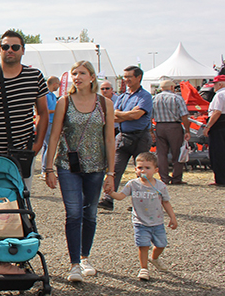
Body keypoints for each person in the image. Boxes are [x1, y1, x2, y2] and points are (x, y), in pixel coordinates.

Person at [44, 60, 116, 283]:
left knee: (90, 213)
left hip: (96, 167)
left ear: (92, 77)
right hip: (68, 165)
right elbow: (54, 136)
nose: (77, 77)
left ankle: (86, 257)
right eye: (74, 73)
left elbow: (109, 138)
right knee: (73, 213)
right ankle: (74, 263)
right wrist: (48, 168)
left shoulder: (105, 104)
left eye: (82, 73)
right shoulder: (64, 101)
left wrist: (112, 173)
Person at [0, 30, 49, 191]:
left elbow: (42, 112)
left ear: (23, 50)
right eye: (5, 46)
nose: (10, 50)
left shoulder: (35, 76)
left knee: (21, 196)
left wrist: (38, 143)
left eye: (15, 46)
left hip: (24, 150)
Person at [107, 152, 178, 281]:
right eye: (140, 168)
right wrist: (110, 193)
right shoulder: (133, 184)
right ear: (135, 170)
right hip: (140, 222)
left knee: (161, 244)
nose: (143, 170)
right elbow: (121, 197)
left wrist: (172, 217)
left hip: (157, 222)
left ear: (156, 170)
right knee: (143, 245)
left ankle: (154, 258)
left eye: (147, 168)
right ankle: (143, 268)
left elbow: (166, 202)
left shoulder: (160, 186)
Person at [98, 66, 154, 211]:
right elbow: (113, 115)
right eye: (125, 77)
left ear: (138, 77)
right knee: (114, 169)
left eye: (129, 77)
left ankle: (142, 202)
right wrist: (128, 114)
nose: (126, 80)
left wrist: (123, 114)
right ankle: (108, 199)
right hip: (123, 137)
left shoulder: (145, 96)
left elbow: (136, 116)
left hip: (141, 137)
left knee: (143, 170)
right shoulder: (123, 96)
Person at [153, 79, 191, 185]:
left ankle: (164, 178)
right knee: (177, 152)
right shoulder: (177, 98)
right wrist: (187, 130)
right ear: (172, 87)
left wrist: (151, 130)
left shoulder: (155, 98)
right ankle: (176, 178)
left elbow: (149, 116)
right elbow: (184, 115)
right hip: (174, 126)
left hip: (159, 126)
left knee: (161, 153)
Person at [201, 74, 225, 187]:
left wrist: (208, 127)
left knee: (217, 152)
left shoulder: (220, 95)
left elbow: (217, 112)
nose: (213, 86)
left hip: (219, 125)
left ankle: (220, 178)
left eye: (215, 84)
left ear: (220, 84)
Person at [39, 76, 60, 178]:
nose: (59, 86)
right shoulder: (46, 95)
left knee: (46, 146)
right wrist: (58, 111)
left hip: (52, 122)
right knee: (50, 146)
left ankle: (44, 169)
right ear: (54, 84)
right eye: (58, 84)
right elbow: (43, 110)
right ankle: (45, 170)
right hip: (48, 123)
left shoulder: (52, 95)